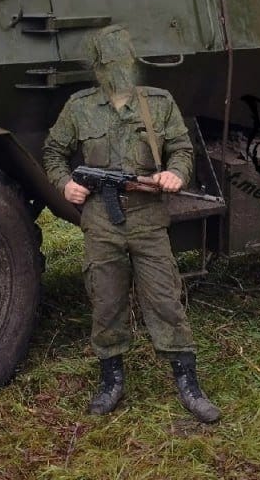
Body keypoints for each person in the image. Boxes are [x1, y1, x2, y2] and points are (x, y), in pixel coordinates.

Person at [42, 25, 221, 423]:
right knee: (105, 299)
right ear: (97, 68)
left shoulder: (158, 103)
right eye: (109, 65)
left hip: (148, 217)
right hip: (101, 221)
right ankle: (111, 379)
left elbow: (182, 149)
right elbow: (53, 151)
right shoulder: (79, 107)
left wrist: (176, 174)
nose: (117, 71)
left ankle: (188, 381)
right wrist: (64, 183)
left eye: (122, 62)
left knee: (164, 297)